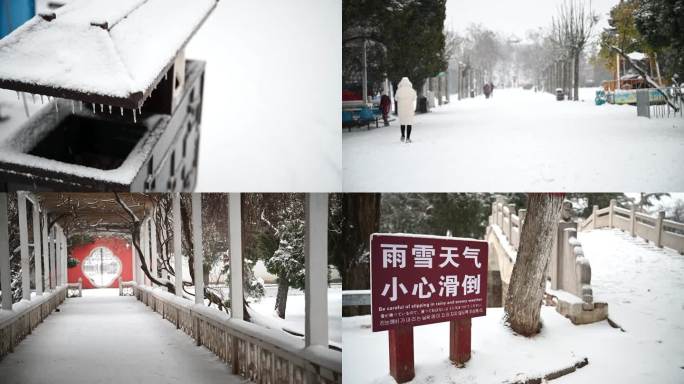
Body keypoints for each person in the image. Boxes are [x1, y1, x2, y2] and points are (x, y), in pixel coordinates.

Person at [395, 77, 417, 143]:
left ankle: (402, 136)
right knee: (409, 123)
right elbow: (414, 98)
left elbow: (396, 99)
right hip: (409, 109)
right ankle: (408, 138)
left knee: (402, 123)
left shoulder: (398, 90)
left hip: (401, 109)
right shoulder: (412, 90)